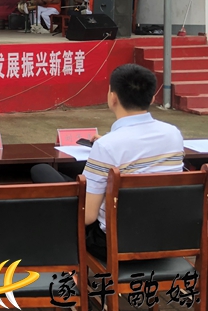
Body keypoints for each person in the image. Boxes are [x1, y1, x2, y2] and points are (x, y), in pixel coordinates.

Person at [30, 64, 184, 260]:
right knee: (74, 178)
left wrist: (106, 146)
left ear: (113, 97)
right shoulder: (173, 134)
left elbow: (87, 217)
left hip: (113, 244)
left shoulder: (108, 146)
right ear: (152, 98)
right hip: (167, 238)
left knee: (42, 171)